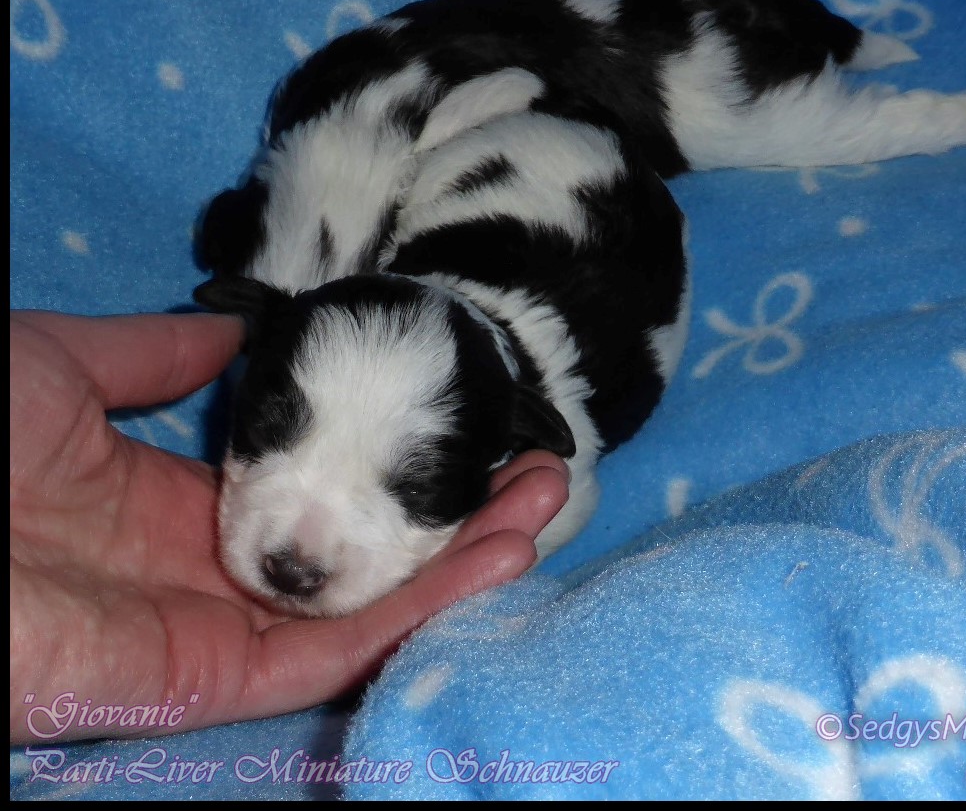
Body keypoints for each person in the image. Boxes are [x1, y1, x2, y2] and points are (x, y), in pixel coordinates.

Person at [10, 310, 569, 745]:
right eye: (268, 436)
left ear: (508, 445)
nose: (300, 556)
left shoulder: (522, 431)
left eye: (416, 488)